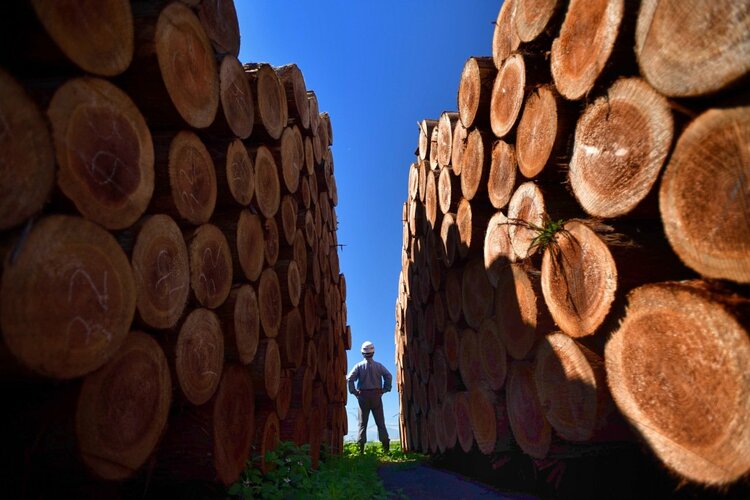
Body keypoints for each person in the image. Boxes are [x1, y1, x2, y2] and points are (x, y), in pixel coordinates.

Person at [347, 340, 393, 454]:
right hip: (376, 395)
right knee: (380, 422)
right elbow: (388, 375)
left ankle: (361, 451)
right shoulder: (379, 366)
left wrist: (354, 392)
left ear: (362, 353)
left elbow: (349, 378)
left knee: (362, 424)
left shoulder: (359, 366)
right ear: (373, 352)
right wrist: (385, 389)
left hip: (363, 396)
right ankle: (386, 449)